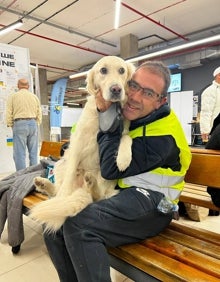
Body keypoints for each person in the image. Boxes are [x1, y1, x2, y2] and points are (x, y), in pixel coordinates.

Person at [43, 61, 191, 282]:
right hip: (122, 192)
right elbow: (78, 137)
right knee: (55, 227)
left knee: (80, 226)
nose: (135, 96)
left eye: (148, 93)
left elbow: (112, 168)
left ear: (161, 102)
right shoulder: (128, 113)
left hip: (154, 202)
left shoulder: (164, 137)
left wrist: (105, 116)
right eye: (133, 85)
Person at [6, 78, 42, 171]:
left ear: (18, 86)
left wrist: (11, 124)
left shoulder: (13, 96)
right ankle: (33, 175)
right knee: (33, 152)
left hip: (20, 124)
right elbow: (39, 112)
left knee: (20, 153)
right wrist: (36, 123)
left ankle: (21, 176)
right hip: (33, 123)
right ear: (28, 86)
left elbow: (9, 112)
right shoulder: (34, 97)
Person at [200, 66, 220, 143]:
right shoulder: (210, 91)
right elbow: (206, 112)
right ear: (218, 76)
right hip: (215, 131)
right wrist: (205, 130)